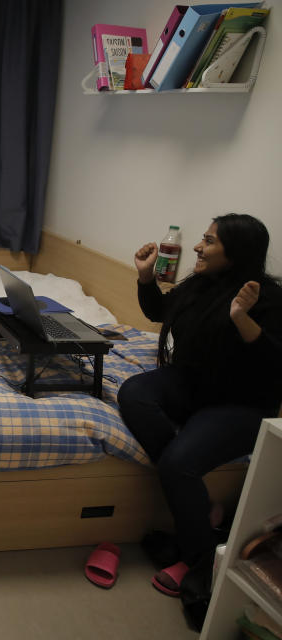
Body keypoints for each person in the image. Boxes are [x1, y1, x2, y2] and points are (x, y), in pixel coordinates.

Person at [117, 213, 282, 597]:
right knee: (134, 394)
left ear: (236, 251)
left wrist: (242, 318)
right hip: (191, 384)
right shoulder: (201, 284)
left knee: (179, 464)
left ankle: (201, 558)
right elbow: (160, 312)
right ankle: (202, 502)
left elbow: (274, 364)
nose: (197, 246)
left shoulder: (268, 297)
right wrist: (145, 277)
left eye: (208, 241)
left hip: (242, 403)